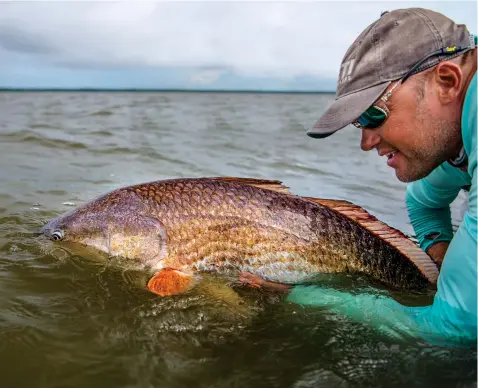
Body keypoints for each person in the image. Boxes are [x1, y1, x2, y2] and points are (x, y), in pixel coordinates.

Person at [240, 8, 477, 345]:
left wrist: (299, 295)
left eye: (374, 115)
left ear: (447, 82)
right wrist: (440, 268)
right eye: (358, 123)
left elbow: (458, 327)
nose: (366, 142)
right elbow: (423, 203)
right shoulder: (458, 137)